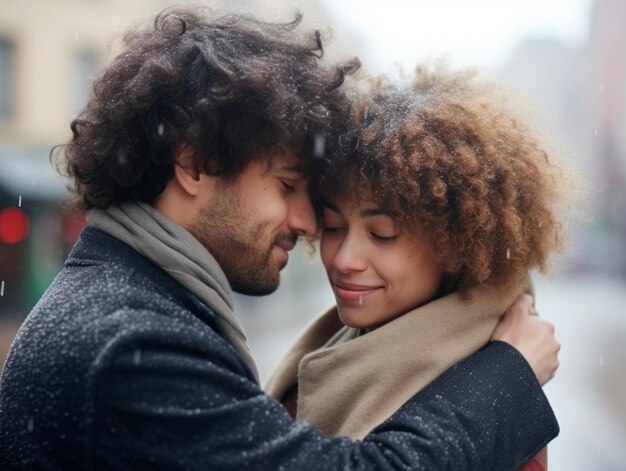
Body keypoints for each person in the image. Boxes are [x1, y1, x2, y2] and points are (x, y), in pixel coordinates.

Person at [0, 7, 559, 470]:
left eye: (383, 232)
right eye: (289, 186)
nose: (311, 226)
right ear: (194, 164)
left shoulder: (126, 302)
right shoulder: (131, 344)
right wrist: (506, 377)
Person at [266, 64, 568, 470]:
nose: (343, 259)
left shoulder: (494, 395)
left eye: (383, 233)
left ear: (456, 245)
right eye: (333, 227)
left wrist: (503, 378)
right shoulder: (329, 346)